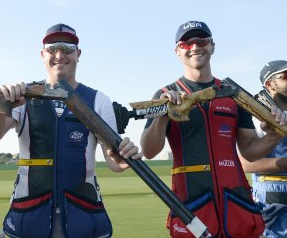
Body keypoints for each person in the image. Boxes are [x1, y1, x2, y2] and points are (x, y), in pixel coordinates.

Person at [122, 21, 286, 237]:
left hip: (236, 202)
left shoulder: (232, 93)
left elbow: (249, 151)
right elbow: (150, 151)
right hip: (192, 203)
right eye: (187, 42)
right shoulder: (165, 93)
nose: (195, 46)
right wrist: (163, 114)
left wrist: (274, 135)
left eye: (202, 40)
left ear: (212, 46)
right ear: (177, 51)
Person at [0, 23, 140, 238]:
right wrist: (1, 105)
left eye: (67, 48)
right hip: (29, 214)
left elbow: (113, 161)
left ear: (78, 54)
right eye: (52, 48)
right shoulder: (24, 95)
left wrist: (125, 158)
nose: (59, 55)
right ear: (42, 54)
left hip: (82, 214)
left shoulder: (98, 100)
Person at [238, 60, 287, 237]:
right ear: (269, 85)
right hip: (273, 196)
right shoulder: (258, 117)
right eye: (285, 76)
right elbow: (247, 164)